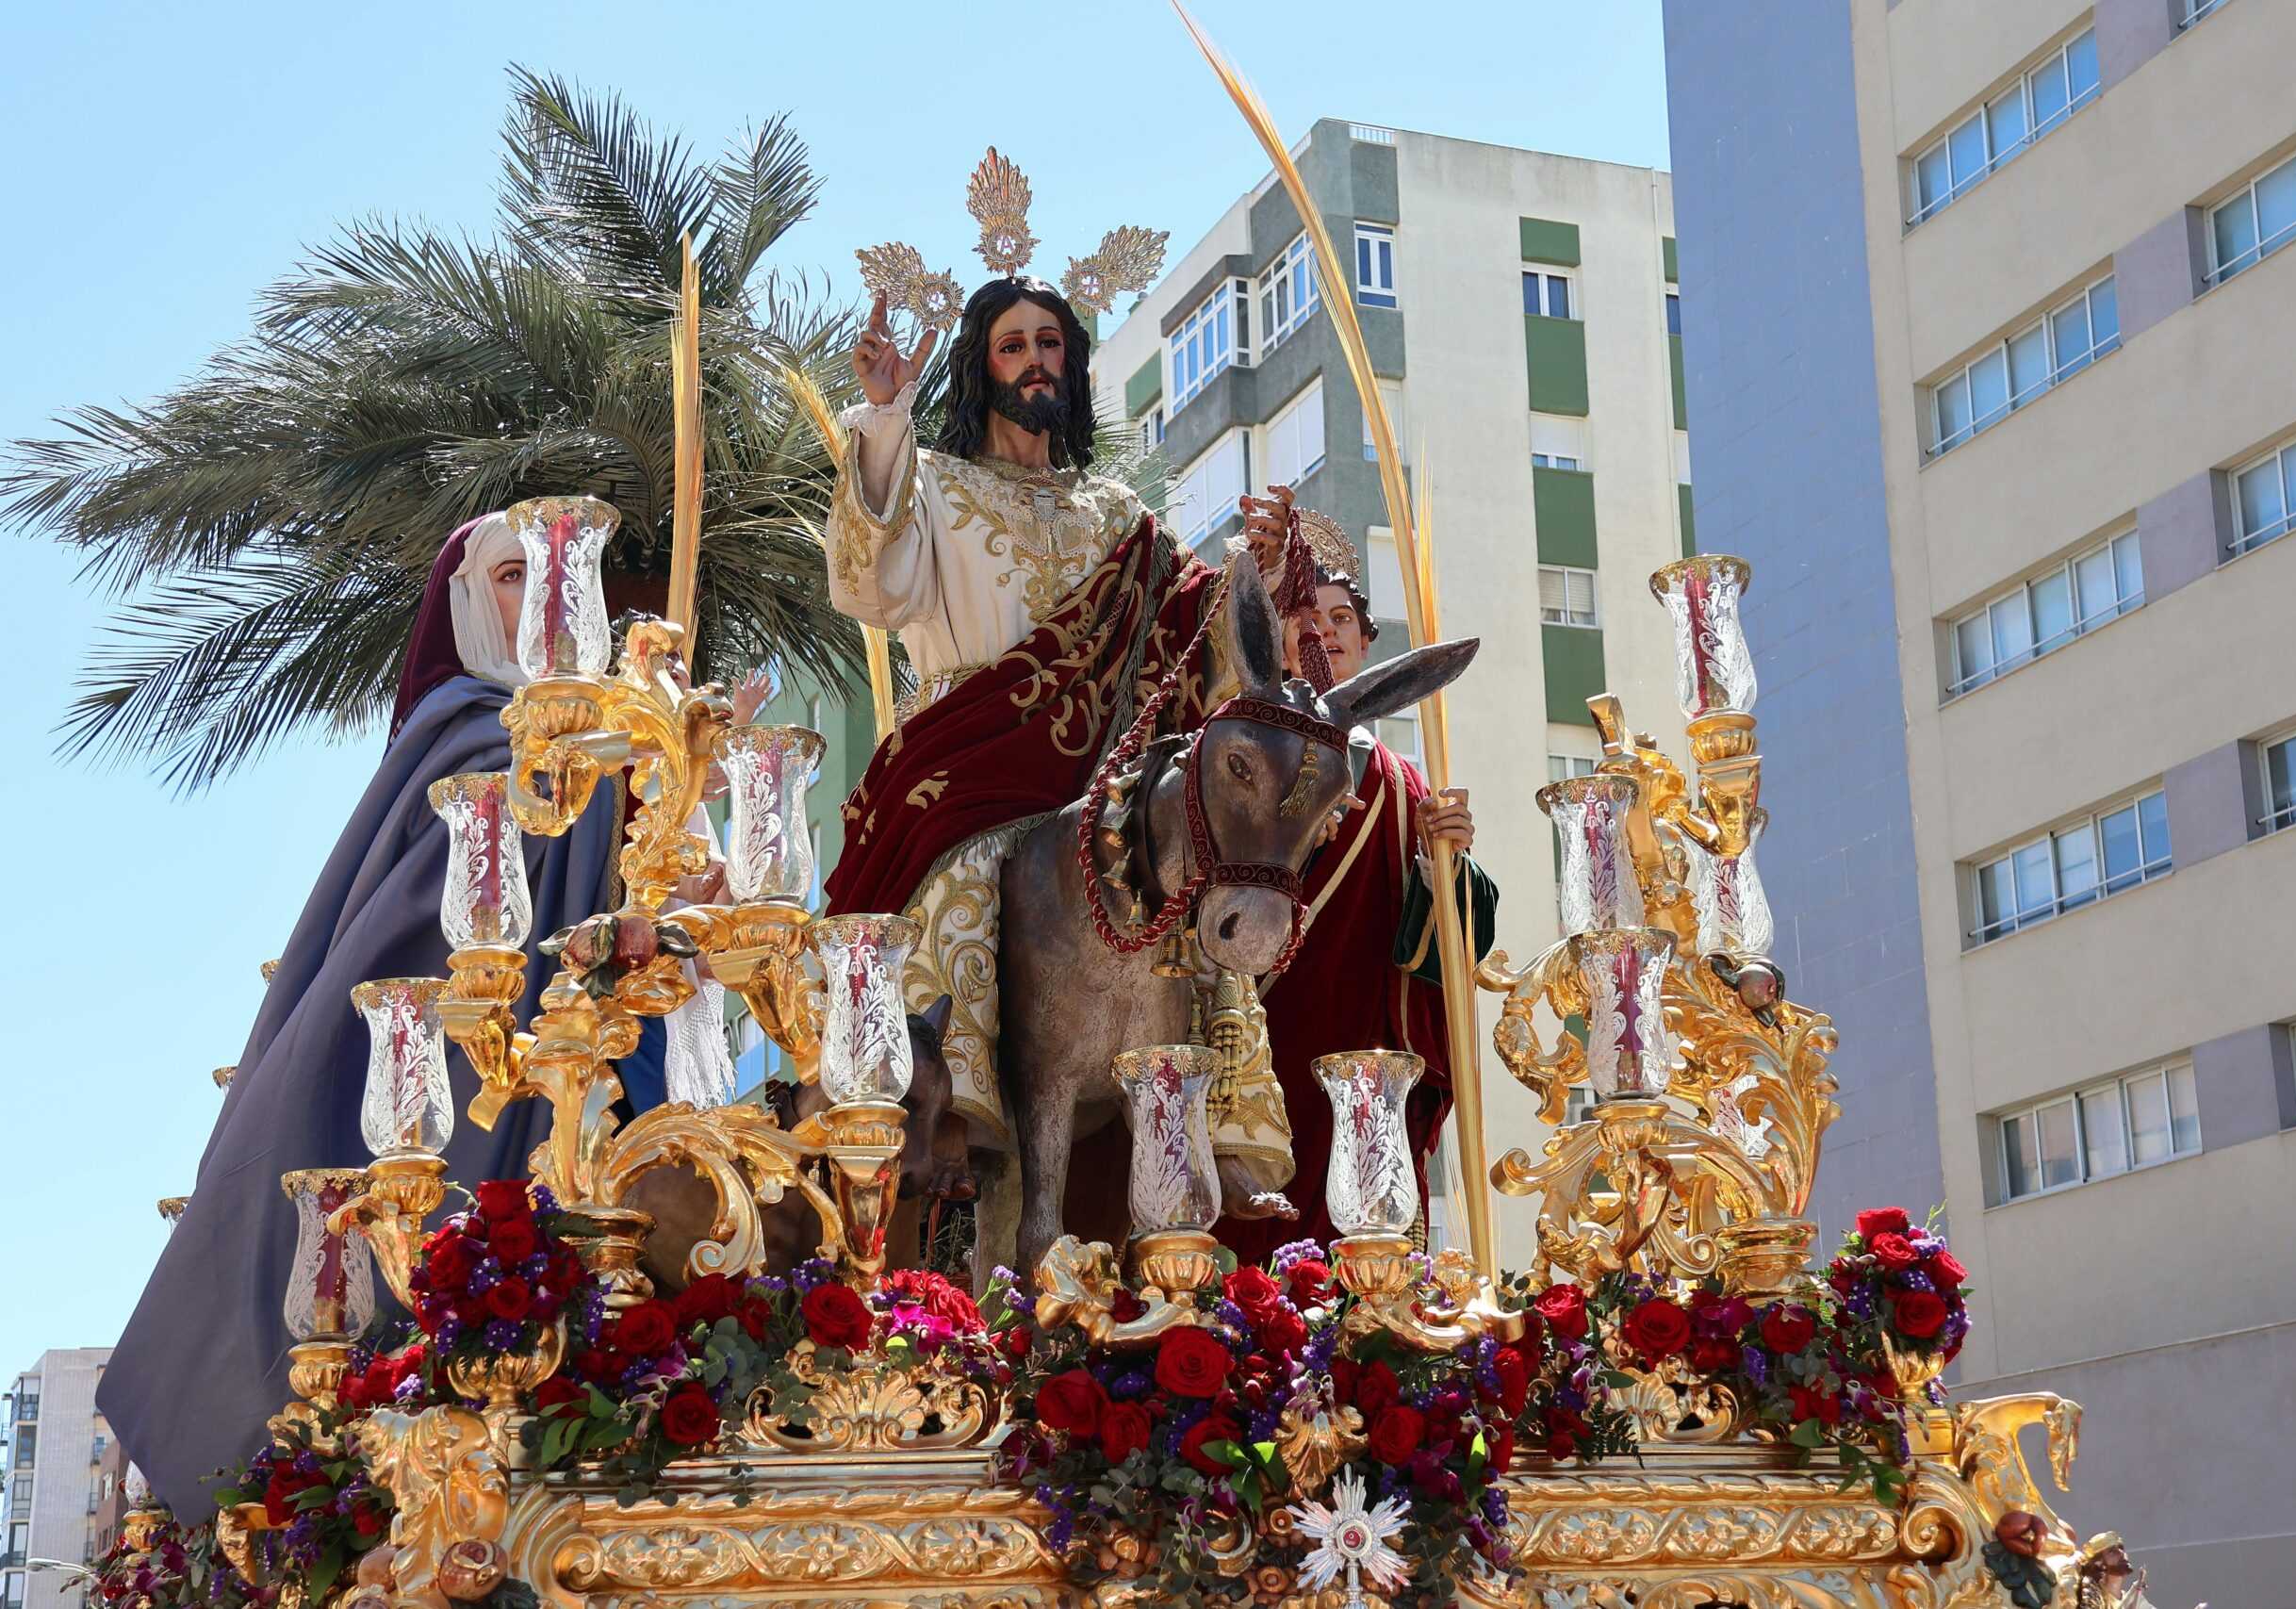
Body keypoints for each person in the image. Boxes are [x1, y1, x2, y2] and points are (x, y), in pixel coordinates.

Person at [102, 513, 747, 1519]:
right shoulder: (459, 728)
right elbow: (429, 914)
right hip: (479, 1067)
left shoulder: (624, 741)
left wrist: (682, 829)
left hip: (617, 1057)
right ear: (462, 608)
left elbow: (670, 899)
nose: (535, 597)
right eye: (507, 576)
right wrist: (608, 799)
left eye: (554, 577)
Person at [821, 276, 1230, 1153]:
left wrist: (1263, 576)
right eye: (1014, 345)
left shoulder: (1118, 514)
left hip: (1102, 780)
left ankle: (1214, 1114)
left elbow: (1192, 636)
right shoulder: (938, 486)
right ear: (983, 366)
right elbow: (870, 584)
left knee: (1193, 895)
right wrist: (885, 419)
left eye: (1050, 344)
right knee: (967, 888)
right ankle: (948, 1102)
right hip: (976, 763)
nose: (1036, 361)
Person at [1217, 503, 1499, 1262]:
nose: (1325, 630)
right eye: (1304, 615)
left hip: (1359, 1068)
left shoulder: (1407, 786)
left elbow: (1448, 950)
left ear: (1368, 645)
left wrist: (1451, 867)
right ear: (1275, 639)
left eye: (1342, 618)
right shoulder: (1240, 755)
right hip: (1258, 1047)